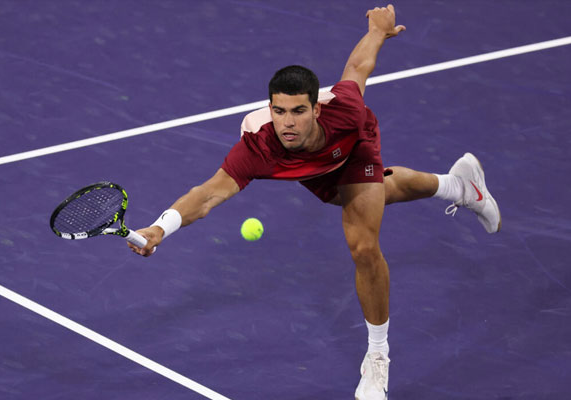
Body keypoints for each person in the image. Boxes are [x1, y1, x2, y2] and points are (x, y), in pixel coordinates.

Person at [128, 4, 501, 399]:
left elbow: (358, 67)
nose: (287, 122)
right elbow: (206, 195)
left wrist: (377, 30)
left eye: (298, 112)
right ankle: (460, 185)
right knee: (382, 192)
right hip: (311, 168)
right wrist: (160, 227)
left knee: (363, 245)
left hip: (352, 150)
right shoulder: (259, 147)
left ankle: (377, 356)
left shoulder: (345, 112)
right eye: (279, 111)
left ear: (316, 109)